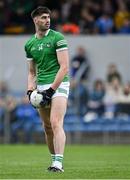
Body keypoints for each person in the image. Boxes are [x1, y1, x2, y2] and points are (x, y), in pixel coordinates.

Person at [24, 6, 70, 172]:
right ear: (35, 20)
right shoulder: (29, 44)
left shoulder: (58, 37)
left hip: (59, 84)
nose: (47, 20)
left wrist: (51, 90)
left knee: (56, 122)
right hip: (41, 86)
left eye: (48, 17)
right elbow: (31, 72)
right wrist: (30, 91)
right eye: (43, 17)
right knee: (47, 127)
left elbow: (64, 67)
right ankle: (54, 160)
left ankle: (58, 163)